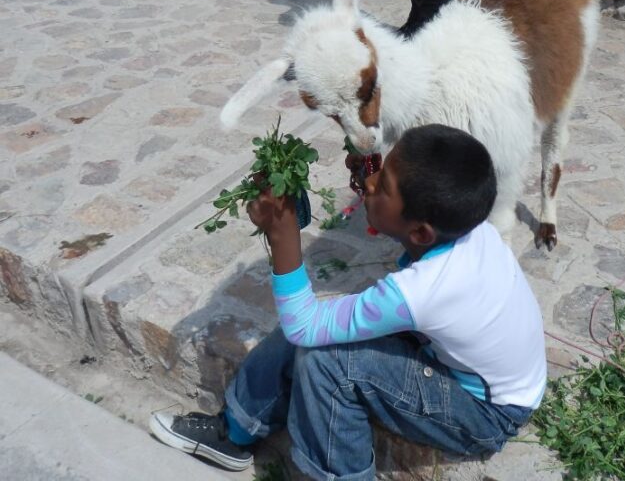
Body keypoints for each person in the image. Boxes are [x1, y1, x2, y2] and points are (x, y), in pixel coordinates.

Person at [149, 124, 547, 479]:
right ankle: (236, 431)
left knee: (326, 359)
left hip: (487, 414)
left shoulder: (424, 291)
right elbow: (400, 236)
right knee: (325, 324)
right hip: (476, 371)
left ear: (422, 231)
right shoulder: (469, 230)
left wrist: (282, 234)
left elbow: (301, 327)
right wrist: (371, 181)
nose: (371, 183)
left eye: (383, 184)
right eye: (382, 170)